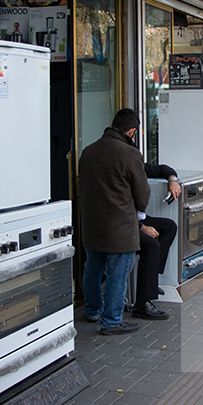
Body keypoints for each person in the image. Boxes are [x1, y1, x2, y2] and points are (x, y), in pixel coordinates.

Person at [80, 108, 150, 335]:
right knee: (117, 274)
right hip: (119, 227)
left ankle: (92, 311)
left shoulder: (88, 151)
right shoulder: (129, 154)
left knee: (92, 268)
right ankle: (111, 320)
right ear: (132, 131)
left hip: (92, 224)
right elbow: (142, 194)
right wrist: (141, 211)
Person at [132, 163, 180, 320]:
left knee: (169, 226)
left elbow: (163, 169)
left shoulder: (136, 164)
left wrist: (172, 180)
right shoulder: (121, 172)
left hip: (138, 219)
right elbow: (118, 210)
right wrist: (142, 228)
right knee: (152, 245)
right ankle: (142, 303)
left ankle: (152, 279)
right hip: (126, 225)